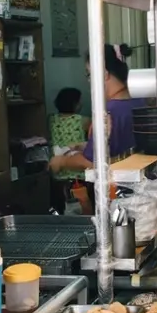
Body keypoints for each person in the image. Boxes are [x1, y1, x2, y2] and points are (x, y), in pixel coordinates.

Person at [49, 44, 145, 174]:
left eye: (89, 75)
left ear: (104, 74)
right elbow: (118, 145)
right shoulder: (139, 103)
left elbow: (91, 162)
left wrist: (61, 161)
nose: (89, 81)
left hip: (115, 188)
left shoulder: (107, 113)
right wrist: (84, 146)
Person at [49, 87, 90, 213]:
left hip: (58, 175)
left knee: (62, 212)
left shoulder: (51, 119)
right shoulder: (83, 121)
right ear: (75, 104)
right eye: (79, 101)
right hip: (78, 175)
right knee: (83, 212)